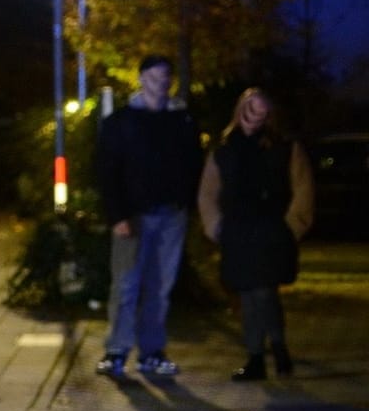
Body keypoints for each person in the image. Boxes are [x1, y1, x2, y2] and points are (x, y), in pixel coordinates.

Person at [197, 88, 314, 381]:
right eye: (250, 111)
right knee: (248, 294)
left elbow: (303, 188)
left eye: (261, 114)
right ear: (240, 111)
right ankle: (262, 355)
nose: (254, 119)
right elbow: (208, 192)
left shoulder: (284, 148)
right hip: (237, 231)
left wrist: (292, 225)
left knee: (263, 292)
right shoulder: (224, 150)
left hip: (271, 230)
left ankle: (269, 351)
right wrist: (216, 226)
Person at [95, 55, 200, 378]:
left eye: (165, 78)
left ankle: (151, 352)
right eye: (154, 78)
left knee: (160, 287)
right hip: (134, 216)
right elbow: (106, 170)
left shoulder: (182, 121)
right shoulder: (121, 122)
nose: (160, 84)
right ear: (141, 79)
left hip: (171, 215)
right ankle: (116, 351)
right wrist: (117, 215)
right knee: (126, 285)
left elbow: (195, 163)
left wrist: (186, 203)